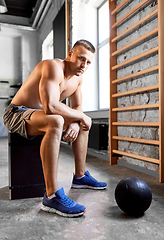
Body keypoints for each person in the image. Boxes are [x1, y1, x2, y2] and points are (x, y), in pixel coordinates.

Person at [3, 39, 107, 217]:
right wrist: (79, 116)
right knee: (57, 120)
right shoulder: (53, 67)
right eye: (81, 58)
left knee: (82, 124)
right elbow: (51, 106)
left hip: (40, 114)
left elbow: (78, 107)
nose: (84, 65)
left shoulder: (78, 79)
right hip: (17, 113)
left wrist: (76, 121)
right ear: (70, 55)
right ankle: (52, 196)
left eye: (88, 62)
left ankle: (80, 177)